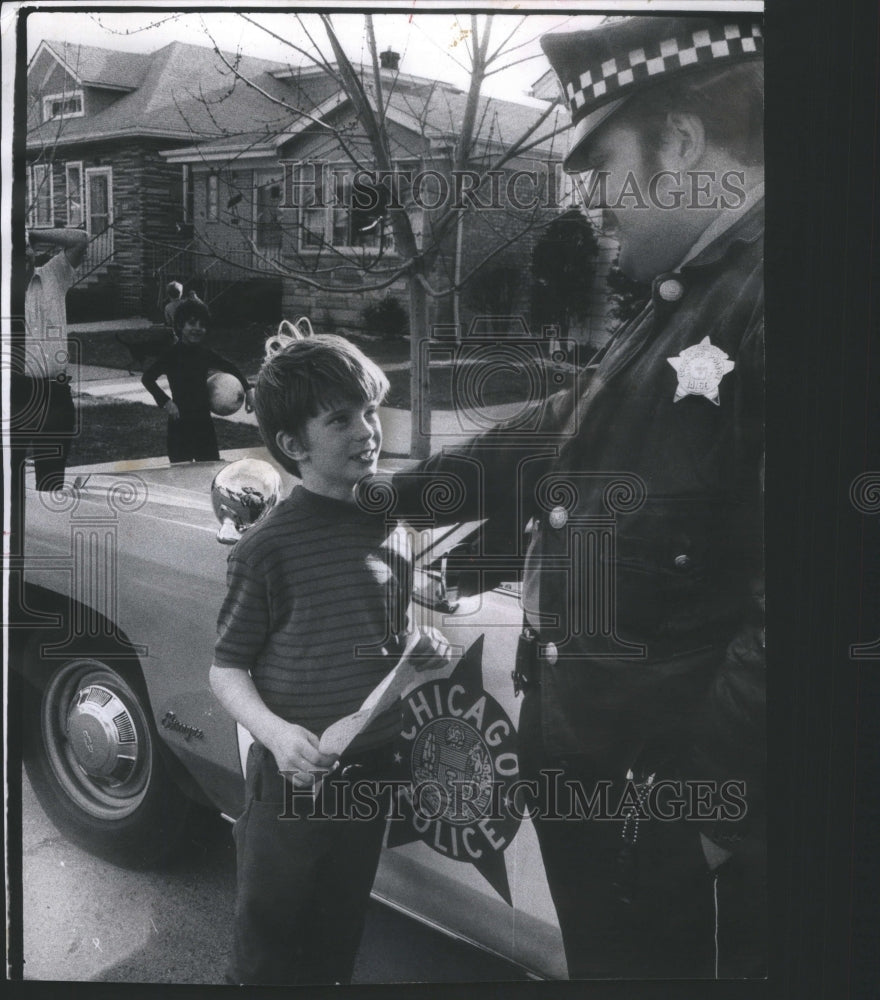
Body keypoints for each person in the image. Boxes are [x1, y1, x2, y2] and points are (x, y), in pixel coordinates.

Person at [384, 14, 765, 980]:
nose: (588, 201)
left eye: (601, 167)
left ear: (681, 143)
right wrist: (395, 495)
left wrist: (711, 811)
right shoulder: (698, 294)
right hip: (615, 794)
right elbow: (568, 421)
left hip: (669, 824)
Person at [209, 335, 447, 985]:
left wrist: (419, 645)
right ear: (292, 446)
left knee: (339, 931)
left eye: (369, 412)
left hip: (369, 769)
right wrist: (278, 735)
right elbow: (226, 668)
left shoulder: (389, 522)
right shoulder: (266, 550)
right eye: (340, 419)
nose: (367, 432)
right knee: (269, 939)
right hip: (291, 781)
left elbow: (382, 618)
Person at [12, 227, 89, 492]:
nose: (22, 253)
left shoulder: (53, 275)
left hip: (55, 394)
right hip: (14, 394)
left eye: (26, 247)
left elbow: (80, 239)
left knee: (51, 480)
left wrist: (29, 231)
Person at [141, 298, 254, 464]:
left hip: (203, 423)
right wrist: (166, 402)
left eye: (202, 325)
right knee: (180, 472)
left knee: (209, 467)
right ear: (180, 325)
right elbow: (147, 378)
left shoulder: (204, 353)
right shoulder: (171, 355)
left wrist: (249, 391)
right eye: (192, 323)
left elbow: (230, 367)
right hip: (179, 422)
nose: (198, 329)